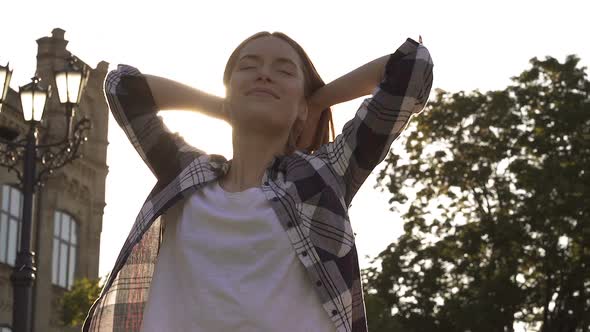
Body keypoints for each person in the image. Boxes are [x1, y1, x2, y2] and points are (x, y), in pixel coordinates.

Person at [83, 31, 433, 332]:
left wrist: (313, 101)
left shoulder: (323, 175)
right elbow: (121, 87)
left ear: (301, 105)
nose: (264, 75)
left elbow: (412, 66)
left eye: (284, 71)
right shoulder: (186, 173)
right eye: (248, 67)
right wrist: (225, 107)